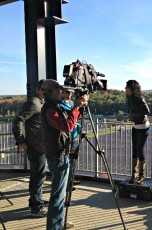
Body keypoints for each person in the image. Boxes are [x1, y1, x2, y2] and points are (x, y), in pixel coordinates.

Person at [40, 79, 89, 230]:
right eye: (59, 89)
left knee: (60, 195)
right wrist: (75, 107)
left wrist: (79, 107)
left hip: (60, 153)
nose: (62, 92)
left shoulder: (55, 106)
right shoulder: (50, 109)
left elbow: (71, 119)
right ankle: (54, 226)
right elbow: (66, 126)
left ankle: (58, 223)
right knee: (58, 196)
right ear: (52, 92)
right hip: (58, 155)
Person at [12, 79, 48, 217]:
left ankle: (35, 201)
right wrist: (20, 140)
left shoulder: (42, 103)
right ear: (38, 90)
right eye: (45, 89)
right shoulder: (34, 103)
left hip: (40, 145)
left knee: (40, 175)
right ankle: (36, 208)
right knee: (37, 176)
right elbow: (18, 120)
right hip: (35, 146)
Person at [125, 80, 150, 184]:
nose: (125, 89)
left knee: (140, 151)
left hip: (143, 126)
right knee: (135, 150)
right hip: (135, 126)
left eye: (126, 87)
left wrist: (134, 114)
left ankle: (141, 176)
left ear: (131, 88)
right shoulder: (129, 98)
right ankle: (133, 175)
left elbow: (147, 111)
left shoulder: (140, 98)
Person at [60, 87, 81, 188]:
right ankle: (66, 181)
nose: (70, 94)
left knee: (73, 158)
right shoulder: (59, 105)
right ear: (62, 93)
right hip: (66, 136)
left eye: (71, 93)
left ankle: (71, 178)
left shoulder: (73, 104)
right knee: (66, 159)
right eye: (67, 92)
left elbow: (78, 115)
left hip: (74, 134)